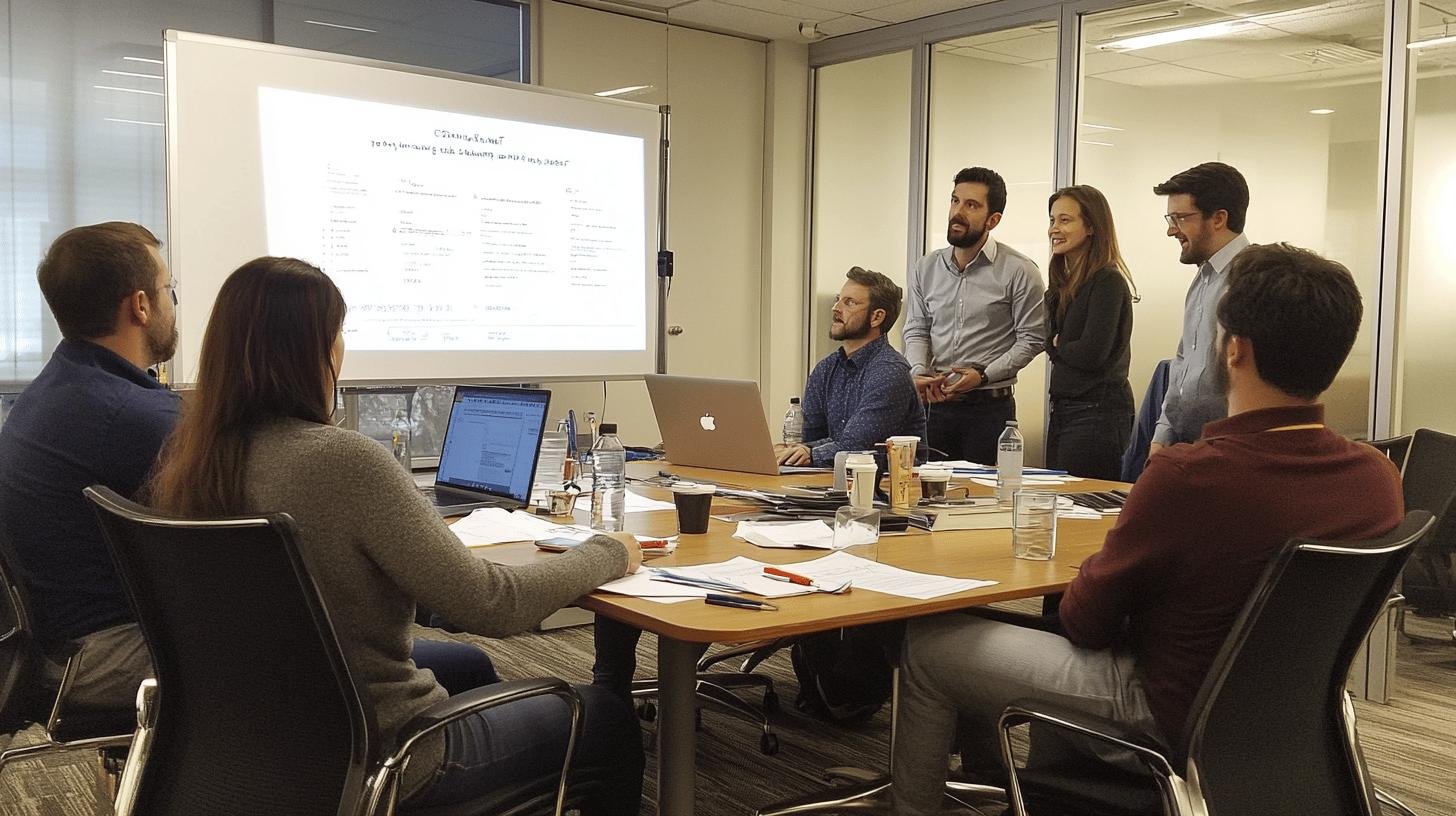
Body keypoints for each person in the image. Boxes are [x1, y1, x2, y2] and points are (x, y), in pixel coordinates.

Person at [889, 242, 1403, 816]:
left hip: (1162, 711)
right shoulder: (1377, 479)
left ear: (1233, 349)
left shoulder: (1190, 476)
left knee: (931, 645)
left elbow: (1084, 622)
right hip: (1288, 722)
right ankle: (1015, 787)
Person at [145, 257, 645, 811]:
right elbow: (494, 606)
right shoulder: (343, 461)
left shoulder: (197, 464)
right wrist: (608, 552)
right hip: (384, 756)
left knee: (472, 669)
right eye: (338, 335)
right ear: (315, 352)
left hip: (257, 739)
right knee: (609, 717)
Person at [0, 222, 179, 712]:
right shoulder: (135, 416)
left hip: (52, 645)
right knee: (318, 652)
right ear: (140, 305)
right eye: (169, 290)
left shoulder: (47, 394)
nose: (172, 303)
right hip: (103, 655)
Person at [903, 167, 1046, 465]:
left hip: (989, 410)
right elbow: (917, 328)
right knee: (928, 497)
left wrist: (983, 374)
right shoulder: (926, 267)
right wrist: (918, 371)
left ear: (993, 219)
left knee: (986, 499)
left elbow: (1033, 338)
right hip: (935, 407)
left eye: (971, 205)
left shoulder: (1019, 270)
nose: (958, 212)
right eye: (955, 201)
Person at [1148, 162, 1250, 458]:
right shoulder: (1203, 278)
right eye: (1170, 217)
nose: (1171, 230)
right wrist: (1162, 434)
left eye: (1180, 218)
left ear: (1218, 218)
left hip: (1228, 450)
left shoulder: (1252, 279)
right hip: (1188, 445)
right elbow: (1183, 362)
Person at [776, 266, 925, 467]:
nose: (835, 308)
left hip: (887, 488)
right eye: (838, 298)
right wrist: (795, 451)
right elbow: (810, 439)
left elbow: (859, 447)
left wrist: (809, 452)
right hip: (830, 482)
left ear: (876, 317)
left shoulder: (890, 371)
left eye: (850, 303)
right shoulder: (825, 369)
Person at [1043, 186, 1137, 480]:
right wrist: (1059, 344)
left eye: (1065, 220)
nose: (1054, 229)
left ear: (1092, 227)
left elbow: (1091, 353)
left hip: (1097, 413)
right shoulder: (1062, 284)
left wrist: (1060, 345)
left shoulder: (1107, 281)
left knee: (1082, 506)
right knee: (1057, 500)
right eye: (1052, 220)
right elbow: (1049, 342)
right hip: (1064, 410)